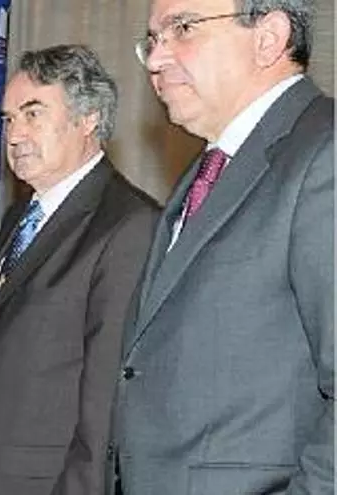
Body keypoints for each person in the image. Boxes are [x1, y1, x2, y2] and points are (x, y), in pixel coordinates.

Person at [112, 0, 333, 493]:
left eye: (183, 28)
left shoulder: (326, 152)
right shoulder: (210, 168)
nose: (155, 60)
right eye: (153, 40)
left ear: (268, 38)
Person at [0, 44, 160, 495]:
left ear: (88, 119)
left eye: (33, 114)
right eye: (8, 119)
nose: (14, 134)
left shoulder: (128, 225)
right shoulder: (18, 217)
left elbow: (105, 403)